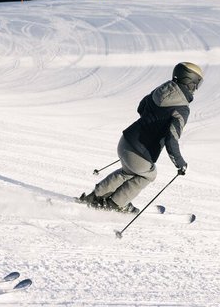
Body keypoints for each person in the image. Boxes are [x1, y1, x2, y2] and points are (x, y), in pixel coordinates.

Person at [79, 62, 203, 214]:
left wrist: (150, 122)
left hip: (125, 140)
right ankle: (116, 204)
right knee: (149, 174)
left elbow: (141, 107)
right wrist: (180, 164)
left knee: (127, 171)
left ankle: (94, 197)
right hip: (140, 152)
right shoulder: (181, 109)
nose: (196, 88)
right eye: (197, 84)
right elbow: (171, 140)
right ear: (191, 82)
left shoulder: (160, 90)